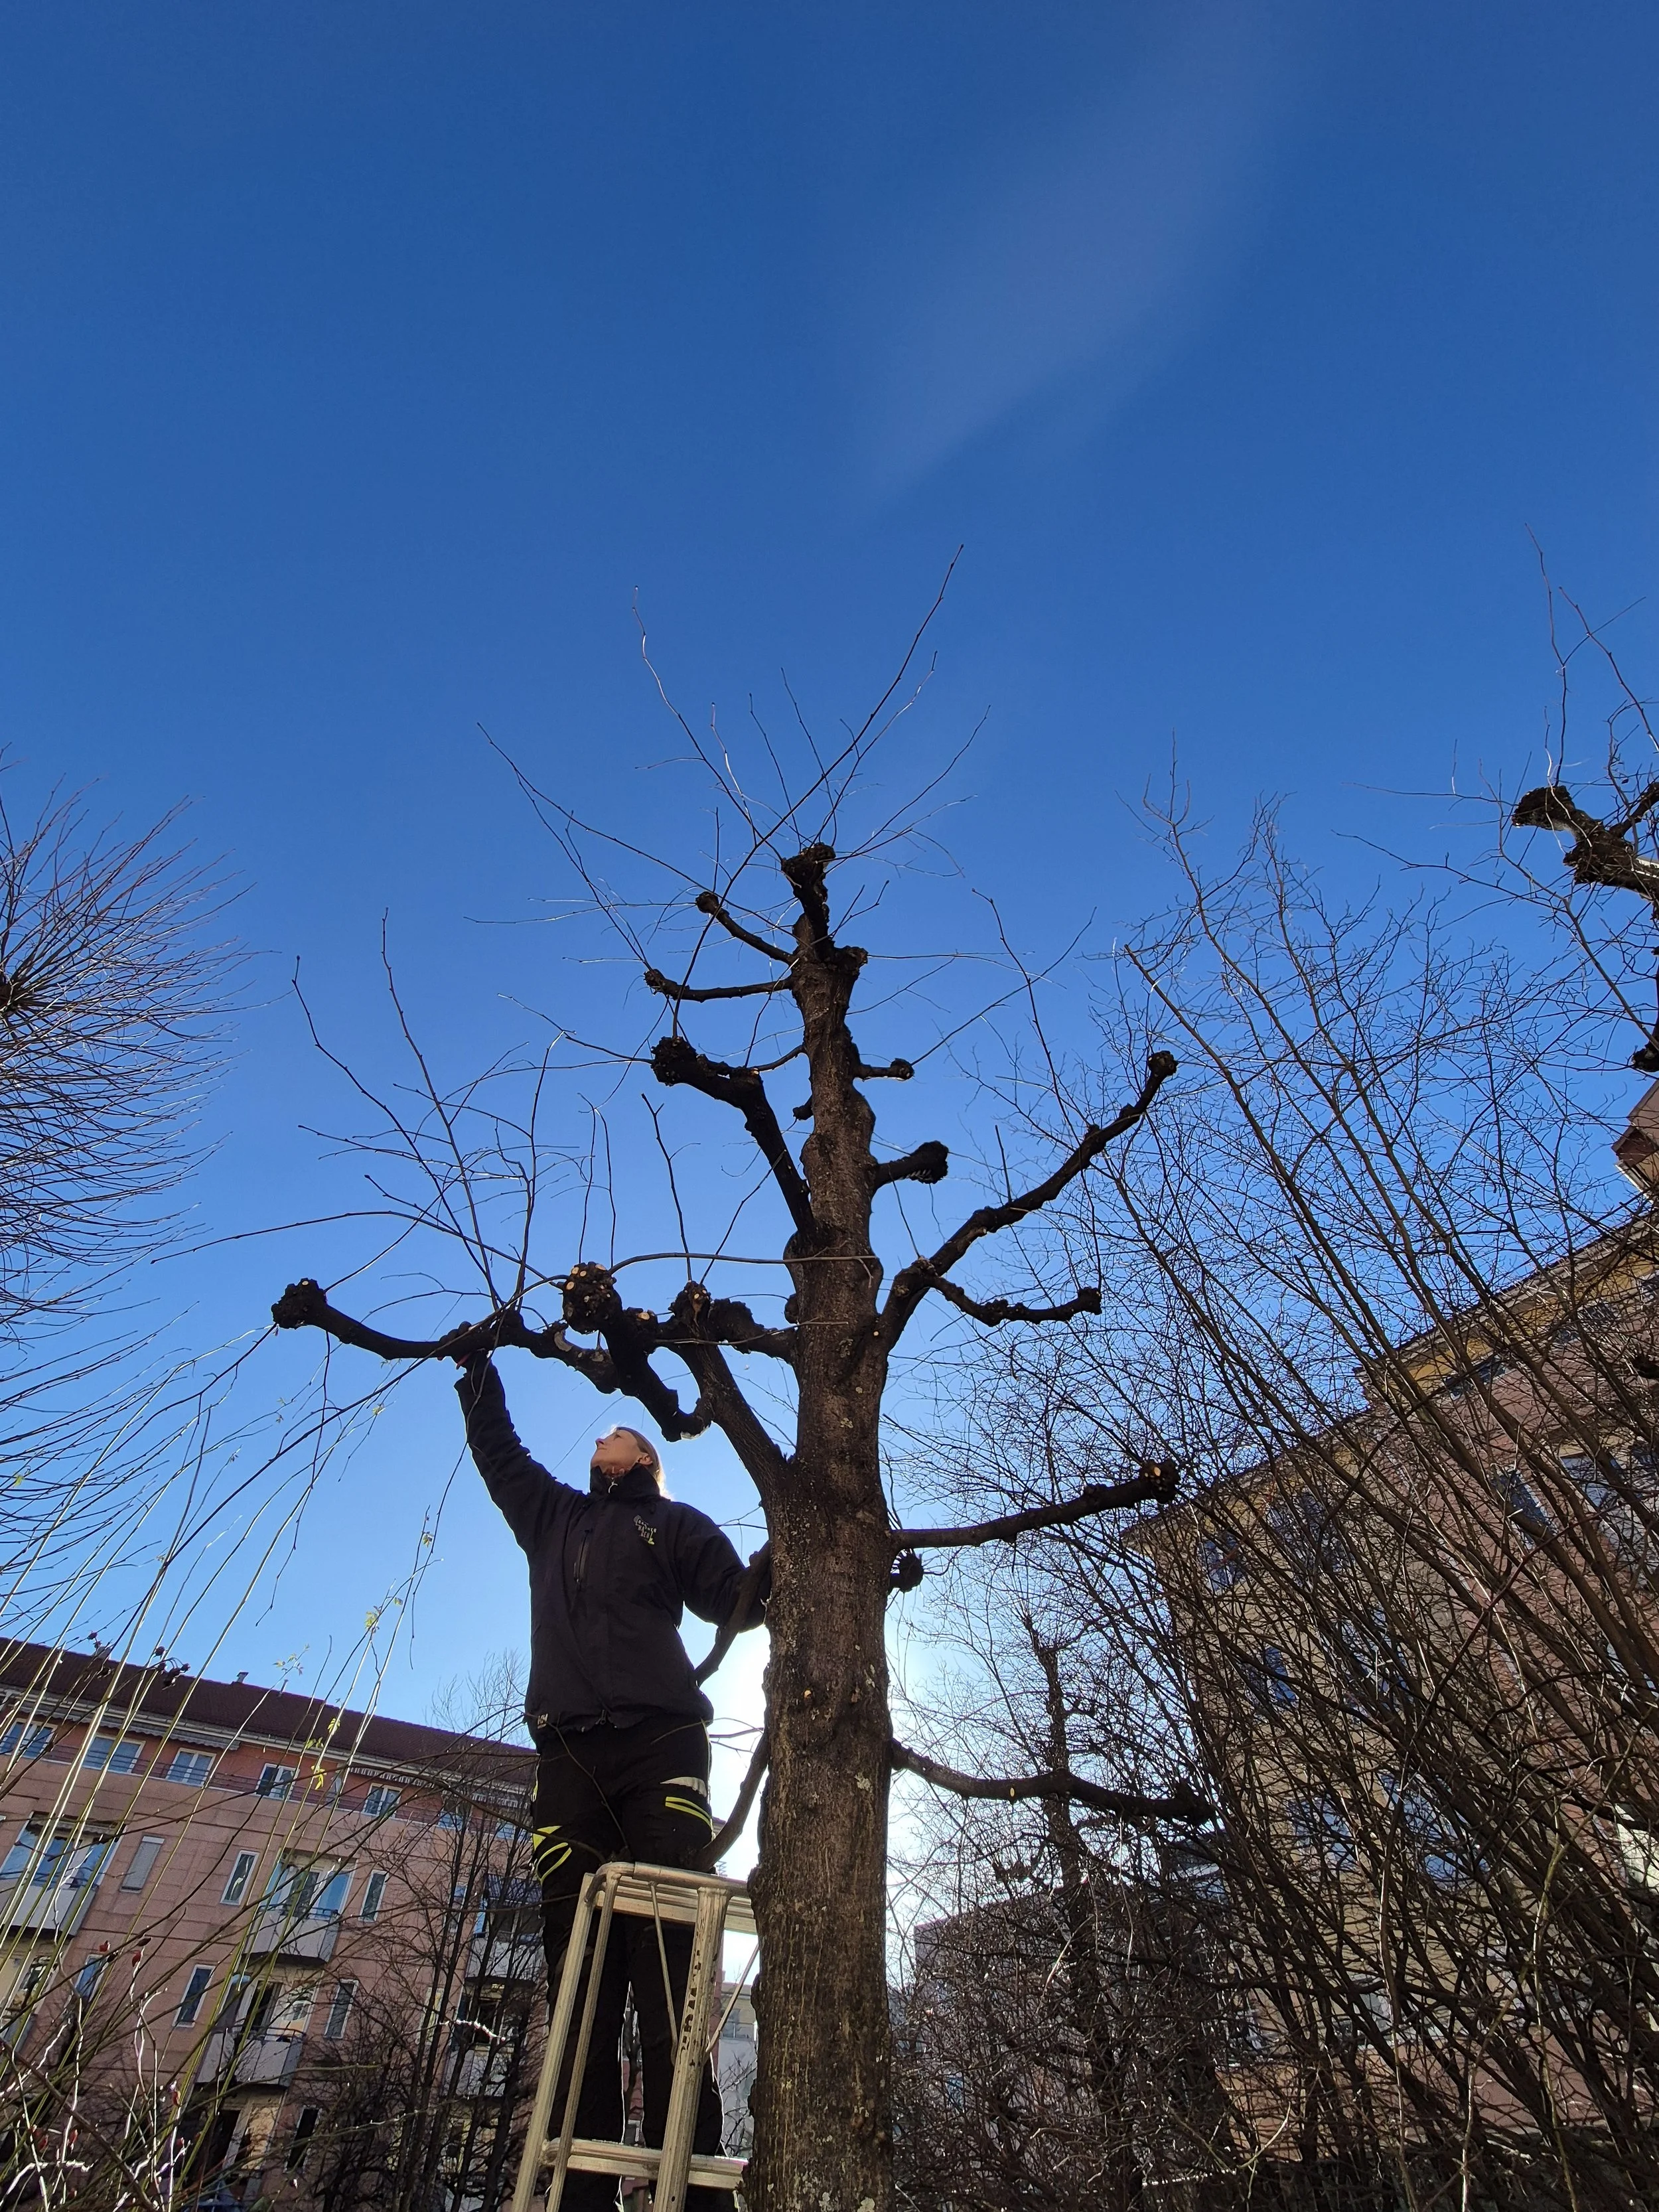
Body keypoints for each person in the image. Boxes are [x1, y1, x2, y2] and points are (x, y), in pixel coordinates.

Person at [455, 1355, 762, 2210]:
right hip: (569, 1761)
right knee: (580, 1977)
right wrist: (479, 1377)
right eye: (598, 1434)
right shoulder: (553, 1516)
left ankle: (691, 2186)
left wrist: (792, 1560)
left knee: (665, 1969)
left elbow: (736, 1597)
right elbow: (502, 1459)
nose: (602, 1435)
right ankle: (582, 2187)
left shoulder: (674, 1524)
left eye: (617, 1432)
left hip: (662, 1749)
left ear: (647, 1459)